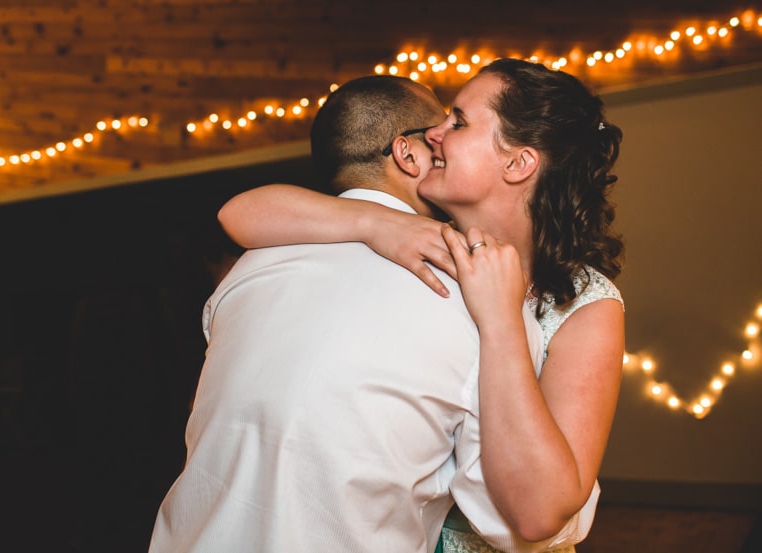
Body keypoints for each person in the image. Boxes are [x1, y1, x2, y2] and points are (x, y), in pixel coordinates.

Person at [217, 58, 625, 553]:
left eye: (457, 121)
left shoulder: (586, 303)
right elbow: (240, 212)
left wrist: (499, 318)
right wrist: (376, 223)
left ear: (518, 163)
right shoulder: (420, 246)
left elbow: (542, 512)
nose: (434, 134)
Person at [148, 75, 548, 553]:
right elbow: (511, 518)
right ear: (408, 154)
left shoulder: (248, 270)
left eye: (456, 124)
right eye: (439, 126)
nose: (442, 136)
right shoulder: (475, 294)